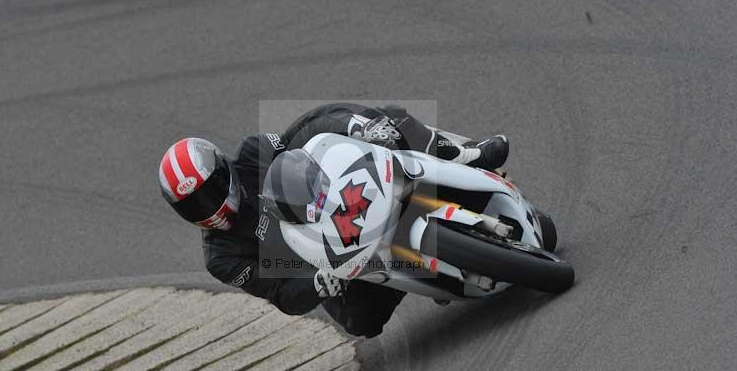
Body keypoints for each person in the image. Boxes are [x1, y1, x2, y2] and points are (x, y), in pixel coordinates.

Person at [159, 104, 508, 338]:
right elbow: (280, 294)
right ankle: (424, 271)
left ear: (224, 170)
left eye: (209, 192)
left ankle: (465, 155)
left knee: (386, 118)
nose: (208, 207)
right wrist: (319, 284)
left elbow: (309, 134)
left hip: (347, 198)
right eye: (193, 206)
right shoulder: (221, 256)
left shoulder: (253, 153)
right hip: (332, 262)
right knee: (362, 322)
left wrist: (358, 129)